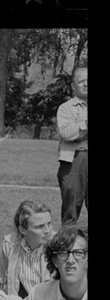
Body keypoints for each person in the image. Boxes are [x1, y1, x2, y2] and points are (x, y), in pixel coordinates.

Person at [0, 200, 53, 298]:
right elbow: (2, 281)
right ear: (23, 229)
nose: (47, 231)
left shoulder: (59, 246)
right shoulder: (9, 245)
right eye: (40, 226)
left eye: (49, 224)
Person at [55, 66, 87, 224]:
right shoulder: (65, 108)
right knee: (70, 209)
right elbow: (67, 134)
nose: (86, 84)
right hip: (74, 160)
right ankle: (66, 246)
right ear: (74, 86)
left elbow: (75, 132)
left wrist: (80, 129)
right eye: (82, 81)